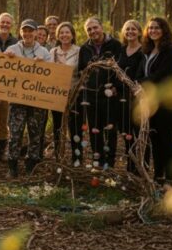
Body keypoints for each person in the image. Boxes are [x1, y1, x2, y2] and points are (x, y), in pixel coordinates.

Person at [3, 19, 51, 178]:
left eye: (31, 31)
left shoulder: (44, 52)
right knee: (15, 134)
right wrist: (6, 58)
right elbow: (1, 72)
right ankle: (12, 166)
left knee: (35, 134)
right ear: (20, 32)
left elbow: (52, 75)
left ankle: (31, 166)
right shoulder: (11, 49)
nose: (28, 34)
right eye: (25, 31)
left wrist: (43, 65)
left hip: (37, 102)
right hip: (17, 102)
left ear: (37, 33)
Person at [76, 17, 123, 170]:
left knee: (110, 130)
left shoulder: (115, 45)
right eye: (89, 29)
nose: (92, 31)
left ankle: (109, 164)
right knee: (94, 130)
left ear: (101, 27)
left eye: (95, 27)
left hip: (110, 96)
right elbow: (81, 70)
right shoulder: (85, 48)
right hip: (91, 96)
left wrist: (116, 86)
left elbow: (120, 68)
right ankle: (98, 161)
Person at [139, 17, 172, 186]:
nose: (153, 30)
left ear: (164, 30)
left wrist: (142, 84)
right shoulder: (147, 51)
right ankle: (158, 175)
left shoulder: (170, 51)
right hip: (151, 101)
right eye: (150, 28)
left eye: (157, 28)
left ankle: (170, 178)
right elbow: (142, 72)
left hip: (166, 101)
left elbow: (163, 73)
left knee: (167, 139)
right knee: (154, 138)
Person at [47, 22, 80, 161]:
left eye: (67, 32)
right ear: (58, 35)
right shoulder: (53, 52)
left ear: (72, 35)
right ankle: (58, 157)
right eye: (61, 33)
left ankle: (77, 158)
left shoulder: (79, 51)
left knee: (75, 128)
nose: (64, 35)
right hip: (57, 95)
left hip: (74, 95)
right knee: (58, 127)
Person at [117, 19, 145, 174]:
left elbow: (143, 75)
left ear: (139, 32)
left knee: (138, 133)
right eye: (127, 30)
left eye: (133, 29)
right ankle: (130, 166)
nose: (130, 32)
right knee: (126, 133)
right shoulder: (121, 51)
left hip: (137, 98)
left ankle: (141, 167)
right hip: (121, 98)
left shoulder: (144, 52)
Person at [0, 12, 18, 162]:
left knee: (4, 122)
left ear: (11, 25)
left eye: (8, 22)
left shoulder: (16, 42)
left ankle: (0, 153)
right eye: (3, 22)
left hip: (8, 88)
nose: (5, 25)